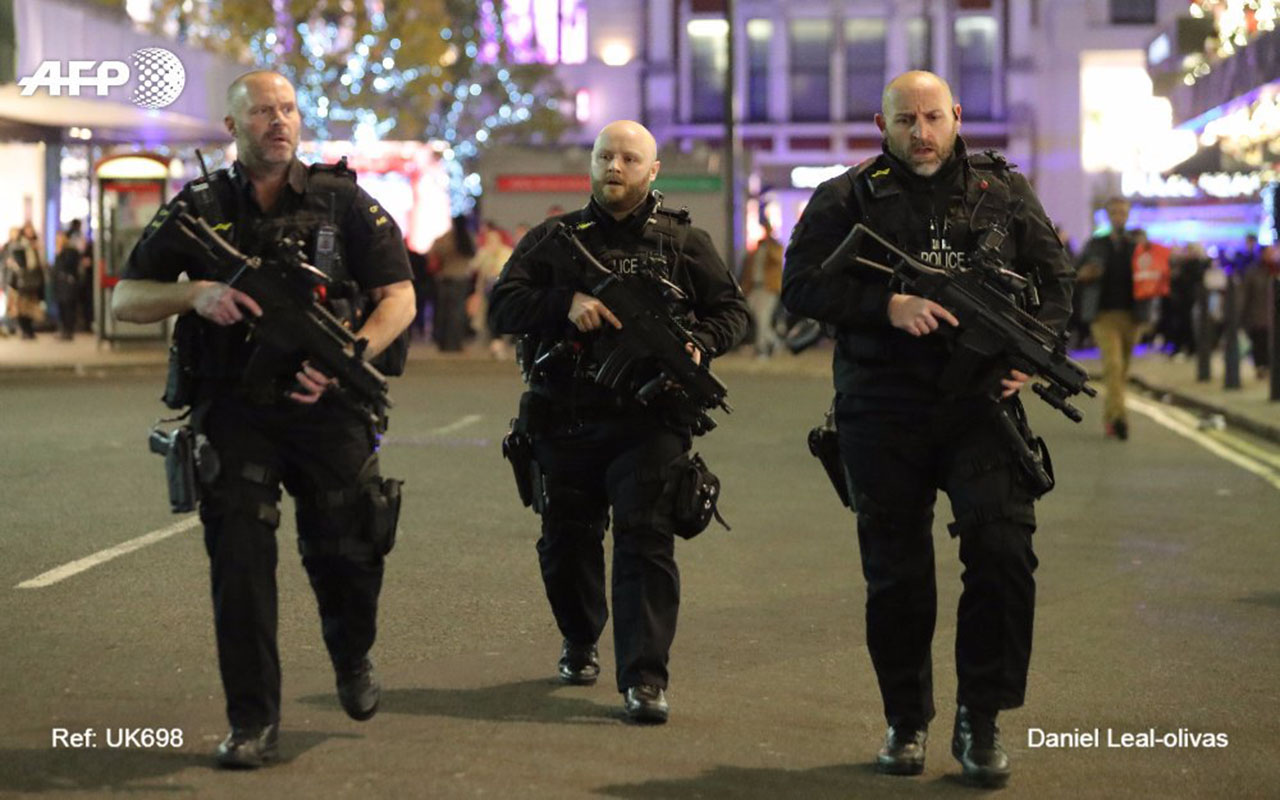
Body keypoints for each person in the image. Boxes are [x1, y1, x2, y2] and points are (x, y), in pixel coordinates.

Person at [111, 70, 415, 769]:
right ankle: (253, 721)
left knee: (349, 553)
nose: (277, 121)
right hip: (235, 411)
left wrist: (349, 353)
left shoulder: (344, 202)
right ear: (232, 126)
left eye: (287, 110)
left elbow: (398, 296)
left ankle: (352, 653)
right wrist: (195, 295)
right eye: (260, 111)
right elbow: (126, 297)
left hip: (328, 408)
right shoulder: (199, 207)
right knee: (241, 569)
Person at [781, 71, 1073, 787]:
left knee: (1004, 554)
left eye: (933, 117)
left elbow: (1057, 279)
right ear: (881, 124)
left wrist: (1032, 358)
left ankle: (982, 718)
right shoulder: (845, 196)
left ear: (956, 116)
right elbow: (801, 286)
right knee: (897, 575)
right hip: (882, 408)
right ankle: (906, 719)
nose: (921, 131)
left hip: (981, 409)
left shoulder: (1001, 190)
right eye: (906, 119)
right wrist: (888, 306)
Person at [488, 120, 748, 724]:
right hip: (566, 416)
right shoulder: (555, 239)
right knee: (566, 544)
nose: (615, 166)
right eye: (606, 156)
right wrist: (563, 305)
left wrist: (700, 344)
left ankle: (645, 678)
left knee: (646, 541)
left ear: (651, 170)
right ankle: (580, 639)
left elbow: (731, 311)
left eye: (630, 158)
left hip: (650, 420)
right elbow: (504, 303)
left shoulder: (684, 243)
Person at [428, 215, 476, 352]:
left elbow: (433, 252)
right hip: (461, 279)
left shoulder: (446, 238)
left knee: (443, 311)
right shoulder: (468, 238)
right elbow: (473, 256)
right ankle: (456, 343)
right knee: (458, 312)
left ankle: (443, 343)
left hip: (445, 278)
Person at [738, 218, 784, 358]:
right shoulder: (757, 249)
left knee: (763, 318)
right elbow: (749, 270)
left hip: (768, 288)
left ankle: (762, 349)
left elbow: (776, 259)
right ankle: (774, 342)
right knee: (756, 316)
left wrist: (770, 239)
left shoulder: (775, 247)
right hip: (755, 288)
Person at [5, 224, 45, 339]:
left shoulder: (34, 245)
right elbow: (19, 264)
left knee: (30, 307)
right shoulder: (20, 245)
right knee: (21, 307)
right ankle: (25, 330)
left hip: (32, 280)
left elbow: (37, 265)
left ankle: (28, 330)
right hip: (22, 280)